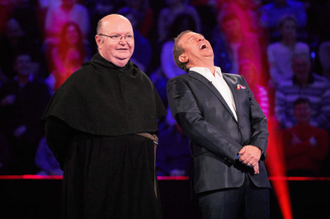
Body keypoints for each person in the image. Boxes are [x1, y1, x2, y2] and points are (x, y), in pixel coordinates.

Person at [42, 14, 166, 219]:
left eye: (129, 36)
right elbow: (55, 131)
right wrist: (82, 159)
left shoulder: (142, 80)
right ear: (99, 40)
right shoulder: (81, 81)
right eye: (116, 36)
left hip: (139, 182)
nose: (124, 42)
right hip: (96, 180)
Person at [167, 30, 270, 219]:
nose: (201, 38)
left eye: (202, 36)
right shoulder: (180, 83)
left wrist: (257, 149)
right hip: (217, 179)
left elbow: (259, 120)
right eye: (192, 39)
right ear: (183, 57)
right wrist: (240, 153)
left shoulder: (238, 80)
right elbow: (194, 124)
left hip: (256, 177)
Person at [0, 53, 51, 174]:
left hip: (34, 133)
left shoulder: (41, 87)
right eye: (21, 62)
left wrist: (26, 127)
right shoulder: (7, 87)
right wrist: (2, 103)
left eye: (27, 62)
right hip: (10, 134)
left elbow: (43, 111)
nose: (24, 65)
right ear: (15, 66)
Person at [275, 52, 330, 129]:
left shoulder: (323, 84)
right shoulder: (283, 85)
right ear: (292, 67)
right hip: (289, 129)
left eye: (304, 65)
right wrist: (292, 128)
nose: (301, 69)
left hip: (317, 129)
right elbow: (279, 112)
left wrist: (311, 127)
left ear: (310, 66)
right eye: (297, 66)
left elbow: (327, 111)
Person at [282, 98, 329, 177]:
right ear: (294, 112)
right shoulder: (286, 133)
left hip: (313, 175)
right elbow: (285, 154)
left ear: (311, 111)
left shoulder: (321, 133)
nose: (302, 112)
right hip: (290, 175)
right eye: (299, 109)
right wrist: (309, 144)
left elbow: (321, 156)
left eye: (305, 109)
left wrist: (297, 145)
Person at [267, 15, 309, 87]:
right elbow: (273, 70)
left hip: (299, 84)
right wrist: (284, 84)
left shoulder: (303, 47)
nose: (290, 30)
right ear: (281, 29)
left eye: (293, 28)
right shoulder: (272, 48)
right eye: (287, 27)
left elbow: (306, 68)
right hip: (280, 84)